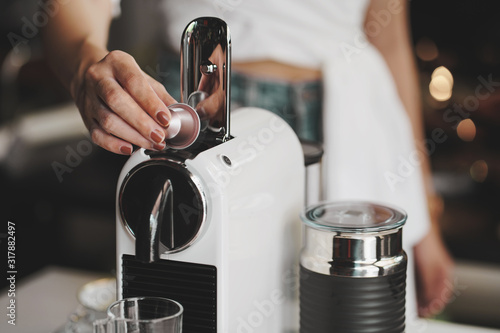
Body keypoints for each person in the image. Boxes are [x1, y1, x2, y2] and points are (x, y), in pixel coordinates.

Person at [41, 0, 454, 321]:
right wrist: (84, 72)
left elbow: (390, 39)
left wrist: (427, 221)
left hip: (351, 118)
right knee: (194, 306)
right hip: (196, 107)